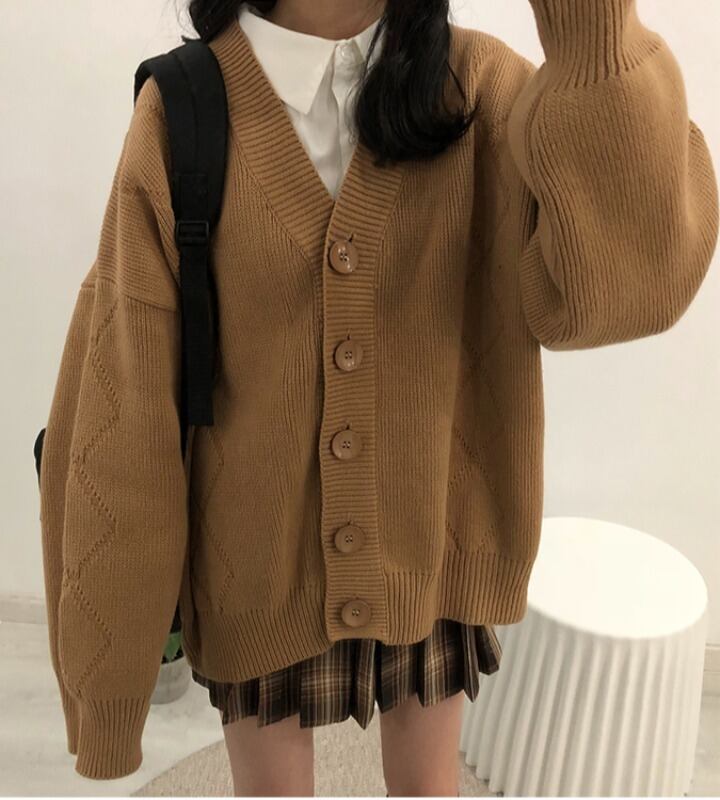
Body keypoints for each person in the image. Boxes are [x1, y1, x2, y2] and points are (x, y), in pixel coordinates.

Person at [38, 0, 718, 795]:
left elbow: (624, 288)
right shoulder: (184, 112)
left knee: (430, 787)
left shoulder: (482, 92)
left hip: (435, 553)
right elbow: (124, 412)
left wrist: (589, 25)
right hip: (252, 569)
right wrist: (108, 686)